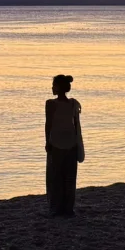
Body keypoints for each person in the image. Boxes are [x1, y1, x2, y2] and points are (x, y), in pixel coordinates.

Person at [45, 74, 84, 217]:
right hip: (71, 144)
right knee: (69, 178)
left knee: (55, 178)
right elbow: (76, 126)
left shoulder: (51, 104)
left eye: (54, 85)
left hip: (56, 143)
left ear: (59, 87)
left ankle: (56, 208)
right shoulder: (74, 103)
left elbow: (48, 124)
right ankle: (68, 208)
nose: (52, 88)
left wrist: (47, 141)